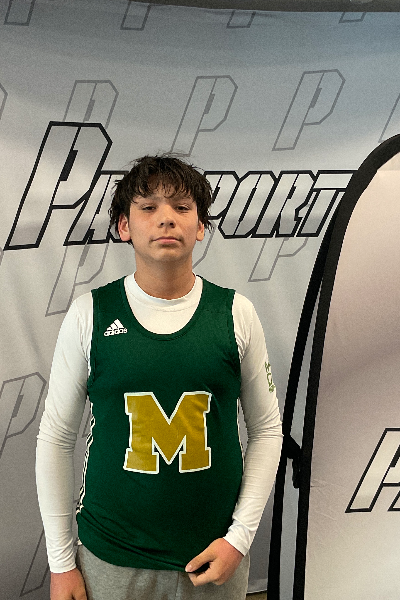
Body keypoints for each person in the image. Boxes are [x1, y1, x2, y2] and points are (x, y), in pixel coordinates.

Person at [36, 155, 283, 600]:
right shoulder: (90, 314)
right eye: (148, 207)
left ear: (201, 226)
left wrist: (240, 538)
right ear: (123, 226)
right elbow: (55, 437)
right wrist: (61, 563)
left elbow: (267, 430)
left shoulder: (236, 313)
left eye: (182, 207)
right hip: (111, 557)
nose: (166, 218)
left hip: (213, 556)